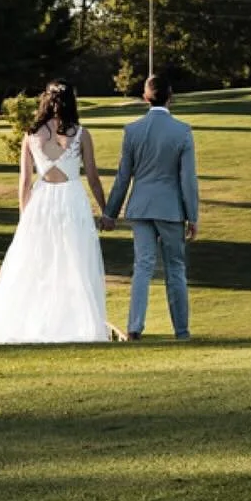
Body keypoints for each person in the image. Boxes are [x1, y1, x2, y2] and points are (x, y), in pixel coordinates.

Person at [0, 79, 112, 345]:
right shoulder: (82, 134)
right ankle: (73, 322)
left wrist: (23, 216)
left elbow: (25, 182)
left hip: (42, 201)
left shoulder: (31, 135)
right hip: (72, 198)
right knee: (74, 260)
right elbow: (94, 177)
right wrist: (106, 210)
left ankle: (47, 322)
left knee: (41, 261)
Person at [102, 73, 199, 341]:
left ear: (145, 97)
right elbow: (187, 180)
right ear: (171, 96)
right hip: (171, 209)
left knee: (142, 267)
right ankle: (181, 331)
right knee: (175, 268)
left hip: (141, 207)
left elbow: (123, 176)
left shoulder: (132, 130)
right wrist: (193, 216)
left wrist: (110, 213)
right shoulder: (182, 131)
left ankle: (135, 327)